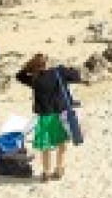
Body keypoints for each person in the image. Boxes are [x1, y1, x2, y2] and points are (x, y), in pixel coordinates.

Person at [16, 53, 83, 182]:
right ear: (47, 63)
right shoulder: (58, 73)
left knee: (45, 147)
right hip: (60, 115)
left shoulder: (35, 79)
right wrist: (63, 67)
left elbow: (19, 76)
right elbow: (76, 75)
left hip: (44, 117)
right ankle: (59, 169)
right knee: (61, 143)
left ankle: (46, 172)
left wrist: (29, 66)